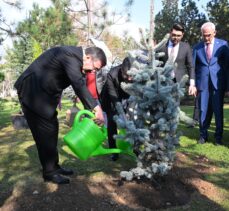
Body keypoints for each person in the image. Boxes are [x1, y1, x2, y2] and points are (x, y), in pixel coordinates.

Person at [14, 46, 107, 184]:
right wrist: (96, 108)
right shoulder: (70, 56)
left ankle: (54, 167)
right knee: (44, 132)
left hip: (43, 96)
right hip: (32, 92)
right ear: (87, 57)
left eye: (97, 70)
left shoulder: (75, 59)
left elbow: (63, 78)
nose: (94, 71)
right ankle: (49, 173)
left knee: (52, 129)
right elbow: (78, 84)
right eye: (95, 67)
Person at [192, 22, 229, 145]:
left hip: (218, 83)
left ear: (214, 33)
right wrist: (193, 84)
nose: (206, 38)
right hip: (202, 83)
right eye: (204, 35)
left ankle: (218, 137)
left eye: (208, 35)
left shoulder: (223, 45)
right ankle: (203, 136)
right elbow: (193, 67)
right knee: (203, 110)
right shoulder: (197, 48)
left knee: (218, 111)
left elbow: (227, 66)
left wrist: (227, 85)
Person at [100, 57, 132, 161]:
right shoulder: (112, 74)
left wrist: (128, 109)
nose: (129, 78)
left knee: (130, 120)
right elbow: (112, 93)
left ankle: (133, 147)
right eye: (127, 75)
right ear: (122, 69)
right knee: (112, 121)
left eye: (131, 76)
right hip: (111, 97)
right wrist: (119, 108)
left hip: (127, 96)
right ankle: (113, 151)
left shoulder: (137, 73)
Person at [159, 23, 196, 96]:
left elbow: (190, 66)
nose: (176, 37)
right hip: (163, 83)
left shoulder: (186, 47)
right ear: (170, 33)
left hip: (179, 83)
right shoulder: (162, 46)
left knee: (175, 106)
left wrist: (192, 84)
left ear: (182, 35)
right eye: (174, 35)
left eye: (178, 35)